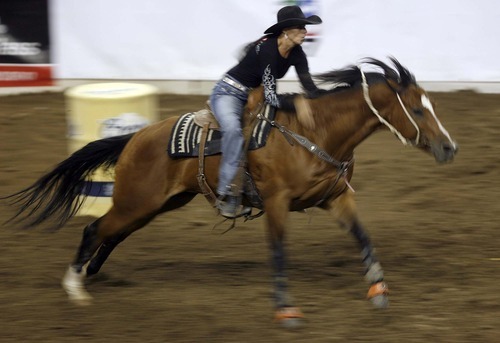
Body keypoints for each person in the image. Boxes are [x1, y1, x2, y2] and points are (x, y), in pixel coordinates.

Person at [210, 5, 323, 218]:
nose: (305, 32)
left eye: (305, 28)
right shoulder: (268, 49)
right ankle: (226, 192)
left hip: (255, 94)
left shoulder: (297, 53)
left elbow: (310, 87)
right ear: (285, 31)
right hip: (228, 92)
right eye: (300, 27)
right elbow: (271, 96)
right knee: (233, 131)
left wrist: (327, 99)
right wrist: (296, 102)